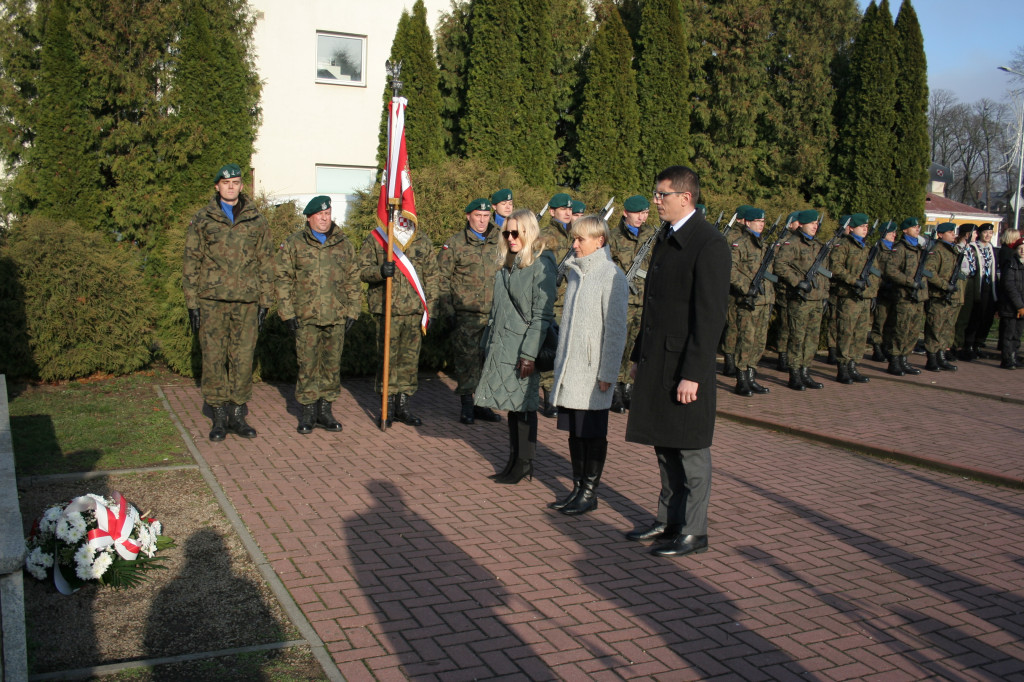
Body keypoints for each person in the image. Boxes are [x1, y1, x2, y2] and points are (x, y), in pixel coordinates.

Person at [625, 166, 730, 558]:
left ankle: (694, 530)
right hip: (659, 361)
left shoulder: (708, 243)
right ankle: (669, 519)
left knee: (690, 450)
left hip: (685, 367)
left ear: (685, 197)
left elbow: (710, 317)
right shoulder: (668, 237)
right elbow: (653, 305)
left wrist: (693, 374)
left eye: (661, 194)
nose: (656, 201)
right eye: (656, 194)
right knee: (664, 446)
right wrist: (638, 356)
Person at [183, 163, 273, 442]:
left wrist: (265, 300)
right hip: (212, 301)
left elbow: (267, 261)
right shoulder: (202, 219)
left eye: (235, 182)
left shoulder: (257, 220)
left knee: (243, 359)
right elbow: (191, 261)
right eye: (226, 183)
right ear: (217, 187)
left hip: (247, 301)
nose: (231, 187)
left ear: (242, 186)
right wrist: (192, 303)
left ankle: (237, 414)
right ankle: (219, 415)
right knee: (213, 358)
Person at [548, 215, 628, 515]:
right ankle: (578, 486)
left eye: (581, 239)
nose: (575, 244)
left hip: (594, 373)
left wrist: (608, 372)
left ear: (600, 241)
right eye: (574, 238)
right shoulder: (576, 273)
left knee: (592, 433)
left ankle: (590, 492)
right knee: (574, 432)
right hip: (573, 370)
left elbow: (616, 329)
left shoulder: (611, 275)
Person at [475, 210, 557, 484]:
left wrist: (528, 354)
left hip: (524, 347)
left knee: (525, 407)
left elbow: (541, 316)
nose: (510, 238)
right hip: (503, 344)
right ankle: (514, 461)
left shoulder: (542, 263)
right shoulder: (509, 262)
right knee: (513, 407)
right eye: (506, 233)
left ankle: (524, 464)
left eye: (516, 233)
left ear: (529, 232)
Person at [274, 196, 362, 433]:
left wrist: (353, 310)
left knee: (332, 366)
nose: (324, 218)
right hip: (306, 317)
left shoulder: (344, 244)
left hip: (336, 316)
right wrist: (287, 313)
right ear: (309, 217)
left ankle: (326, 411)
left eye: (328, 214)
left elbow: (353, 279)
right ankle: (308, 413)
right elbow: (282, 279)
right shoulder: (294, 243)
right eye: (320, 215)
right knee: (308, 365)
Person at [358, 208, 438, 427]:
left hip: (413, 311)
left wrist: (431, 308)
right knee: (387, 361)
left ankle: (403, 406)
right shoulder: (378, 237)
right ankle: (388, 406)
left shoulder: (421, 239)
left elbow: (432, 276)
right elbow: (361, 270)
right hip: (387, 311)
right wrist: (380, 272)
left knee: (409, 362)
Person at [437, 198, 503, 425]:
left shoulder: (501, 240)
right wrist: (447, 310)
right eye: (478, 216)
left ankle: (483, 404)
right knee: (466, 361)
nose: (483, 220)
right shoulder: (455, 243)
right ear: (468, 216)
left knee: (489, 361)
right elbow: (441, 278)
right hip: (466, 313)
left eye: (486, 216)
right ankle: (467, 404)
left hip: (495, 313)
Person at [774, 210, 829, 390]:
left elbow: (825, 274)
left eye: (816, 223)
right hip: (800, 299)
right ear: (802, 224)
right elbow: (780, 266)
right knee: (797, 337)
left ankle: (806, 371)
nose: (815, 226)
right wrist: (798, 282)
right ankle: (795, 374)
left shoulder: (819, 246)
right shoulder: (793, 243)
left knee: (811, 339)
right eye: (812, 223)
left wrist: (825, 295)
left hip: (816, 298)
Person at [607, 195, 653, 413]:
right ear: (626, 213)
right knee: (618, 345)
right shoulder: (613, 237)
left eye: (645, 213)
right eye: (637, 214)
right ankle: (614, 389)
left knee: (637, 345)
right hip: (620, 300)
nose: (641, 218)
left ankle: (628, 387)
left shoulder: (652, 235)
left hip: (643, 301)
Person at [729, 206, 775, 395]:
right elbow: (730, 270)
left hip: (764, 300)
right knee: (746, 340)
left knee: (759, 341)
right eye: (757, 221)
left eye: (763, 221)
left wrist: (771, 297)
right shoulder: (739, 244)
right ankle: (741, 379)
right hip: (749, 300)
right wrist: (747, 288)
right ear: (747, 222)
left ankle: (751, 376)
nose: (761, 225)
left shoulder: (764, 245)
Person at [537, 192, 575, 417]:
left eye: (569, 209)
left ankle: (562, 394)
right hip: (554, 301)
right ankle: (549, 396)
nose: (567, 212)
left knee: (567, 349)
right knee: (552, 347)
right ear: (552, 212)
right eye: (562, 209)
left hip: (571, 299)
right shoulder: (546, 236)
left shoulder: (576, 235)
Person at [828, 213, 873, 384]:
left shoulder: (866, 247)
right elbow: (836, 267)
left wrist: (870, 291)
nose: (865, 229)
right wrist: (854, 281)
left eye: (866, 227)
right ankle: (843, 367)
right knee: (846, 332)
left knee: (860, 334)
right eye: (862, 226)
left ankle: (854, 365)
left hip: (863, 297)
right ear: (852, 227)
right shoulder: (843, 245)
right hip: (848, 296)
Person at [883, 217, 929, 376]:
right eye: (914, 227)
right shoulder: (900, 248)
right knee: (901, 329)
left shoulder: (919, 248)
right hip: (905, 296)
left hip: (918, 296)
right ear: (905, 230)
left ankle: (904, 359)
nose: (917, 229)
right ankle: (895, 360)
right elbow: (891, 270)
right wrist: (909, 282)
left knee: (913, 331)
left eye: (918, 226)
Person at [922, 222, 964, 371]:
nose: (953, 234)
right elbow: (928, 272)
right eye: (950, 232)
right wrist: (945, 286)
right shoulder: (936, 250)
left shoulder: (953, 250)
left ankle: (941, 356)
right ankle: (932, 358)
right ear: (940, 234)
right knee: (935, 327)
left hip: (951, 297)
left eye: (954, 232)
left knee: (946, 328)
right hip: (939, 296)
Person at [719, 205, 751, 377]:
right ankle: (729, 360)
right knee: (732, 325)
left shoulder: (747, 236)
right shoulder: (732, 235)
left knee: (741, 327)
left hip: (744, 288)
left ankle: (737, 360)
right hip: (732, 288)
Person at [963, 222, 998, 357]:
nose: (988, 235)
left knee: (986, 318)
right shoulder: (973, 248)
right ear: (980, 234)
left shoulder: (991, 249)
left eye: (990, 233)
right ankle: (968, 344)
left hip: (989, 287)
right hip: (977, 286)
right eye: (985, 232)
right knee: (975, 316)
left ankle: (978, 344)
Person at [868, 220, 899, 361]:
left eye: (895, 232)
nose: (894, 234)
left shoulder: (895, 249)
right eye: (891, 232)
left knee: (890, 322)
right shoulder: (877, 249)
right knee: (880, 321)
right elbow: (874, 270)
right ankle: (877, 348)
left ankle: (886, 346)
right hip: (881, 289)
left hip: (894, 290)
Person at [773, 212, 800, 371]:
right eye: (797, 222)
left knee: (794, 327)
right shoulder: (784, 242)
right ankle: (782, 355)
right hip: (784, 290)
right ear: (790, 224)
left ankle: (790, 356)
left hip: (797, 291)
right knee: (785, 326)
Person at [997, 238, 1024, 369]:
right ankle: (1007, 359)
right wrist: (1019, 305)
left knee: (1017, 334)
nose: (1023, 251)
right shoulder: (1011, 263)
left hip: (1022, 307)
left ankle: (1014, 356)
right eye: (1020, 248)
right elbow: (1009, 285)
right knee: (1009, 333)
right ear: (1016, 250)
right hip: (1011, 306)